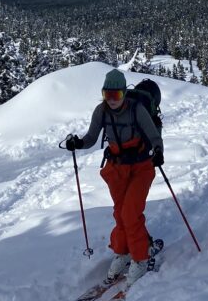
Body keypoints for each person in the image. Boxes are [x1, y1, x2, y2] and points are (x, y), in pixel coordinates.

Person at [65, 69, 164, 286]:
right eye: (106, 95)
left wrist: (158, 152)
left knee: (130, 213)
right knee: (120, 214)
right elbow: (91, 137)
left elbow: (154, 137)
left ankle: (141, 257)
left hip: (141, 167)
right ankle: (124, 252)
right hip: (117, 169)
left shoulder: (137, 109)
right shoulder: (101, 111)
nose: (111, 100)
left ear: (123, 93)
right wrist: (78, 143)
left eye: (116, 95)